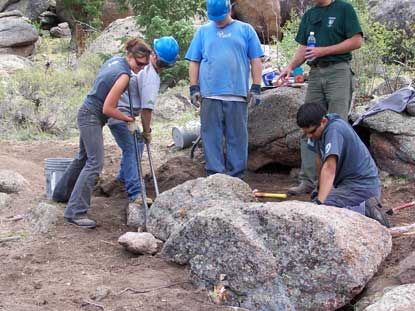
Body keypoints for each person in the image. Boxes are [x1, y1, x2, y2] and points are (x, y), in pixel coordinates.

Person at [54, 39, 152, 229]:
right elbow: (108, 108)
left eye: (145, 65)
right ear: (130, 56)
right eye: (139, 64)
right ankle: (75, 212)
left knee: (83, 157)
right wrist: (128, 119)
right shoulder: (123, 75)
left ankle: (60, 194)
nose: (140, 69)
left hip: (87, 111)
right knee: (94, 162)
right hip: (91, 116)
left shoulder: (114, 61)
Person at [278, 0, 363, 195]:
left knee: (337, 126)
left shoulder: (343, 9)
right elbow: (304, 49)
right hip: (315, 73)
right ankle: (308, 180)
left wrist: (324, 50)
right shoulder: (310, 15)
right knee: (308, 123)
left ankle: (336, 181)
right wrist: (290, 67)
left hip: (338, 71)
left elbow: (356, 41)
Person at [185, 0, 264, 178]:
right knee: (210, 136)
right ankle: (215, 175)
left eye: (221, 18)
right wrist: (194, 87)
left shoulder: (245, 30)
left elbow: (256, 59)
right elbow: (194, 61)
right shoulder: (203, 32)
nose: (218, 22)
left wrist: (256, 86)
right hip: (210, 94)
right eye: (215, 19)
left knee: (237, 137)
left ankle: (237, 176)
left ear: (230, 9)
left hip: (237, 93)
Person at [108, 36, 179, 204]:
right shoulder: (151, 77)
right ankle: (135, 193)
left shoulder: (144, 68)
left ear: (155, 54)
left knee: (136, 146)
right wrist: (147, 131)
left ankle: (122, 179)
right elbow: (147, 111)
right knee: (133, 148)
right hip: (121, 115)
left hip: (120, 113)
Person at [296, 102, 390, 227]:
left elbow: (329, 168)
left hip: (363, 188)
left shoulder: (334, 129)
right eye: (305, 132)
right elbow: (319, 158)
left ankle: (367, 210)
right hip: (347, 186)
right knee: (317, 201)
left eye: (312, 131)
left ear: (323, 121)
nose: (309, 136)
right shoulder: (317, 132)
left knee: (325, 209)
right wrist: (319, 188)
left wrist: (320, 204)